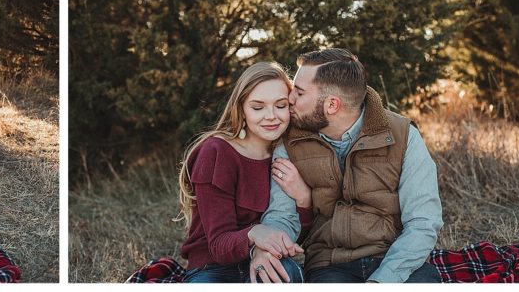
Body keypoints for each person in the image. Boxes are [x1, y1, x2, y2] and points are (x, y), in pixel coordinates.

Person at [253, 48, 443, 283]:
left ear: (332, 105)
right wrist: (267, 245)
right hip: (329, 265)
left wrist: (382, 281)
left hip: (394, 259)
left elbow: (423, 223)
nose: (289, 99)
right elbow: (282, 216)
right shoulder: (290, 142)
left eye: (299, 93)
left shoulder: (403, 136)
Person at [176, 61, 314, 284]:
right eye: (258, 108)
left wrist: (304, 199)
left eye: (280, 105)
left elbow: (297, 238)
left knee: (288, 275)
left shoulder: (289, 153)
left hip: (269, 259)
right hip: (212, 268)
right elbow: (219, 246)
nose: (271, 116)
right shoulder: (216, 152)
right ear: (241, 109)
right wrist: (256, 233)